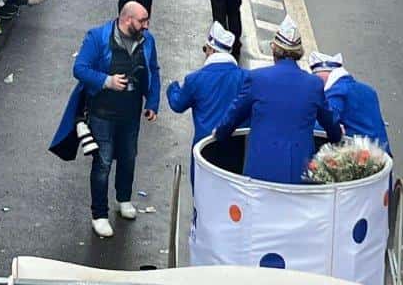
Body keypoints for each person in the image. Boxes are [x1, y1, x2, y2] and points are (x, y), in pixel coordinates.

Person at [214, 16, 341, 184]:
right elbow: (331, 125)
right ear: (298, 53)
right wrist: (337, 134)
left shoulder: (257, 78)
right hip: (299, 173)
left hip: (260, 172)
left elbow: (233, 116)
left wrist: (219, 133)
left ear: (274, 51)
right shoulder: (313, 84)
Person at [72, 2, 160, 238]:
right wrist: (106, 81)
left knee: (128, 158)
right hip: (102, 113)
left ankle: (123, 199)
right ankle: (99, 214)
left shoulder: (147, 40)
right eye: (142, 21)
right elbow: (79, 68)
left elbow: (153, 69)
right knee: (103, 163)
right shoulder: (97, 37)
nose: (146, 25)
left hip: (131, 113)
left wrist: (152, 102)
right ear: (127, 20)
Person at [166, 21, 247, 183]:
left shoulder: (195, 79)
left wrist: (172, 87)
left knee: (202, 194)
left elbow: (177, 104)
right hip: (235, 147)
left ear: (211, 50)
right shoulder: (245, 77)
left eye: (205, 49)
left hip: (204, 148)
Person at [308, 51, 390, 151]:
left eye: (316, 75)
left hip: (360, 154)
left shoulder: (338, 90)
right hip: (382, 153)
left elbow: (329, 117)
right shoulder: (368, 90)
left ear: (326, 73)